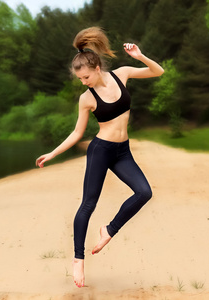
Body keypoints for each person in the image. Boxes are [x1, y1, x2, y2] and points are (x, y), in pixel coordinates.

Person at [35, 27, 164, 288]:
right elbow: (76, 133)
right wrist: (53, 153)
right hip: (101, 151)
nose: (83, 82)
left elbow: (158, 72)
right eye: (79, 79)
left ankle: (109, 230)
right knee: (88, 205)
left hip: (123, 151)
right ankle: (78, 259)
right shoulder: (86, 98)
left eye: (85, 77)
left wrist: (140, 56)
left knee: (144, 192)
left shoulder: (122, 75)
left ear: (95, 68)